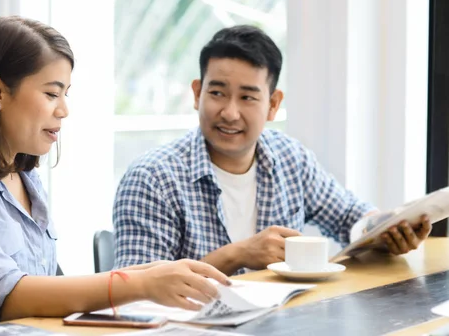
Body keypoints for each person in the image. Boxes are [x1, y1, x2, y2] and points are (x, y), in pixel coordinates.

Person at [0, 16, 230, 335]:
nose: (64, 110)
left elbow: (50, 290)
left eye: (65, 94)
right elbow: (10, 298)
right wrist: (140, 284)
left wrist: (152, 273)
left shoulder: (24, 177)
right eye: (51, 94)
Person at [112, 25, 431, 276]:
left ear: (273, 104)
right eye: (218, 93)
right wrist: (237, 254)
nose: (230, 113)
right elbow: (131, 292)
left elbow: (351, 218)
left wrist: (390, 229)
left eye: (248, 97)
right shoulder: (151, 178)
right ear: (197, 93)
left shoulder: (290, 159)